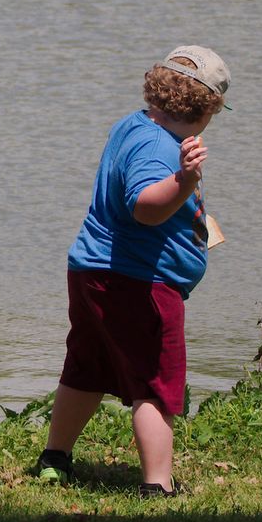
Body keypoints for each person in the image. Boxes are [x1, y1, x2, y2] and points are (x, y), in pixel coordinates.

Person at [34, 45, 231, 497]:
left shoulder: (134, 125)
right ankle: (157, 485)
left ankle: (55, 457)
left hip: (92, 271)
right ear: (207, 109)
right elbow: (143, 207)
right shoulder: (161, 148)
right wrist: (184, 181)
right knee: (154, 384)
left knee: (86, 368)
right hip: (138, 281)